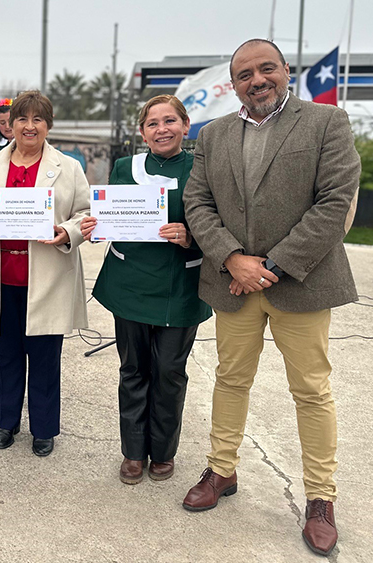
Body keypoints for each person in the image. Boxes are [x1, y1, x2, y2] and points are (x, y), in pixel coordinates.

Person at [182, 39, 361, 556]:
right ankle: (222, 469)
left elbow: (334, 202)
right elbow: (198, 201)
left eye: (266, 69)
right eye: (244, 74)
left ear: (286, 71)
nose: (256, 80)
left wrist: (271, 267)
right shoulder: (214, 134)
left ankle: (321, 498)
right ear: (233, 84)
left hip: (300, 284)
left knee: (311, 390)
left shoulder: (327, 123)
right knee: (230, 379)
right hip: (232, 283)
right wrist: (233, 258)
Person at [0, 91, 95, 457]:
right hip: (2, 277)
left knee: (45, 358)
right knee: (5, 356)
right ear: (10, 125)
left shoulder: (68, 167)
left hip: (48, 277)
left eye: (38, 119)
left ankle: (44, 428)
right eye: (22, 119)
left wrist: (68, 231)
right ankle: (7, 421)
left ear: (48, 125)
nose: (29, 126)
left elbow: (85, 213)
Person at [91, 95, 212, 484]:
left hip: (182, 286)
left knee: (170, 372)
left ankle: (162, 451)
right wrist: (99, 226)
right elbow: (113, 216)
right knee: (133, 370)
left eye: (169, 121)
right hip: (130, 284)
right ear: (142, 131)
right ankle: (132, 452)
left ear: (185, 125)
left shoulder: (203, 169)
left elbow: (222, 224)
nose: (162, 129)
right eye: (153, 123)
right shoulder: (126, 167)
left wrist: (191, 235)